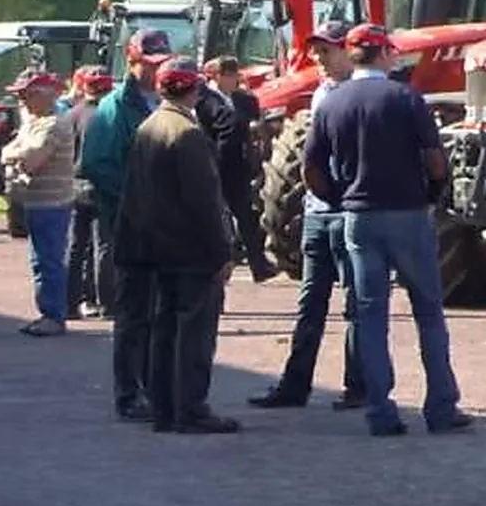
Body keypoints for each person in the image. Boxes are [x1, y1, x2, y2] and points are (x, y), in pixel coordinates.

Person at [305, 22, 471, 436]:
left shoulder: (331, 103)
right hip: (407, 214)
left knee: (370, 315)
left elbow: (311, 170)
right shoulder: (405, 99)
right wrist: (434, 193)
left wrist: (338, 199)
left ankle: (380, 410)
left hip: (359, 219)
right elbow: (434, 158)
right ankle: (440, 406)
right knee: (428, 311)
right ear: (384, 54)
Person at [115, 57, 239, 434]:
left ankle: (165, 408)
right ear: (195, 91)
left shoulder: (148, 127)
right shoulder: (187, 134)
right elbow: (204, 201)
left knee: (164, 330)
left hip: (156, 249)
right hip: (190, 251)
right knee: (195, 333)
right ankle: (191, 408)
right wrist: (222, 252)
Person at [248, 22, 366, 411]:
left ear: (348, 51)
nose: (319, 58)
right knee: (310, 303)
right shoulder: (321, 95)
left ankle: (358, 386)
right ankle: (294, 385)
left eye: (326, 51)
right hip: (320, 213)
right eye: (316, 51)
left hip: (347, 212)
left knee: (356, 304)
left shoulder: (360, 95)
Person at [80, 29, 174, 421]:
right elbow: (97, 165)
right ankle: (128, 392)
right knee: (134, 313)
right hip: (130, 224)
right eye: (148, 65)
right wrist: (139, 200)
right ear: (130, 61)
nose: (155, 72)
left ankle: (155, 387)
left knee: (160, 312)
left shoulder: (166, 102)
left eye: (160, 65)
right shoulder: (114, 109)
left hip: (165, 226)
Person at [1, 70, 77, 337]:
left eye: (27, 94)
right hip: (38, 202)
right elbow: (7, 151)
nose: (22, 100)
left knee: (49, 260)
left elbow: (32, 159)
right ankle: (48, 312)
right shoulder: (34, 122)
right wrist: (16, 155)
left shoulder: (55, 123)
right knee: (40, 260)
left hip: (52, 203)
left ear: (44, 94)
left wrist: (16, 156)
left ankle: (53, 316)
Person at [195, 55, 277, 283]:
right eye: (228, 75)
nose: (233, 80)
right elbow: (222, 124)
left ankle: (258, 264)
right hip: (215, 164)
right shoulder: (205, 98)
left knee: (247, 215)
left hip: (238, 166)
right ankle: (219, 266)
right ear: (216, 76)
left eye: (235, 75)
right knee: (216, 218)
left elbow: (255, 121)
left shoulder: (243, 99)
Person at [66, 65, 114, 319]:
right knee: (104, 245)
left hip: (74, 185)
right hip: (101, 186)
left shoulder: (72, 115)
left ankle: (69, 303)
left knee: (75, 246)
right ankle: (107, 302)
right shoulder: (110, 116)